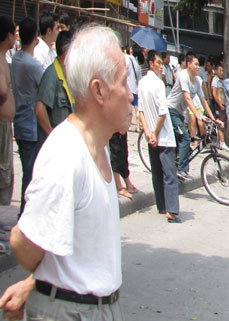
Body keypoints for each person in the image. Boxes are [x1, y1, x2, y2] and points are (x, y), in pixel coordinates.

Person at [0, 23, 132, 319]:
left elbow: (73, 250)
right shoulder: (66, 152)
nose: (130, 95)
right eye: (123, 83)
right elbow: (23, 243)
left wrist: (36, 282)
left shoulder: (96, 148)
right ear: (99, 90)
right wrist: (48, 288)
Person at [137, 50, 180, 223]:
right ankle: (171, 209)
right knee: (169, 174)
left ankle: (161, 205)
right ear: (151, 63)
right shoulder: (158, 84)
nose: (161, 67)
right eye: (159, 63)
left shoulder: (142, 83)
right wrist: (154, 133)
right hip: (163, 135)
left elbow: (141, 111)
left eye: (162, 64)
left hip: (152, 136)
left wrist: (148, 133)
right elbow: (162, 113)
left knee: (157, 172)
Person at [10, 17, 44, 217]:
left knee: (28, 172)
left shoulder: (15, 59)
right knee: (31, 175)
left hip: (21, 121)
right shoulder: (33, 65)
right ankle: (27, 215)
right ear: (35, 37)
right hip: (32, 125)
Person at [34, 29, 74, 145]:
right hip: (56, 145)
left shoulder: (68, 75)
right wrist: (51, 135)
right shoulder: (52, 74)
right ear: (67, 50)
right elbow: (39, 109)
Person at [0, 17, 16, 209]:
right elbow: (2, 90)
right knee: (3, 173)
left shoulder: (5, 57)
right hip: (2, 124)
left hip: (6, 124)